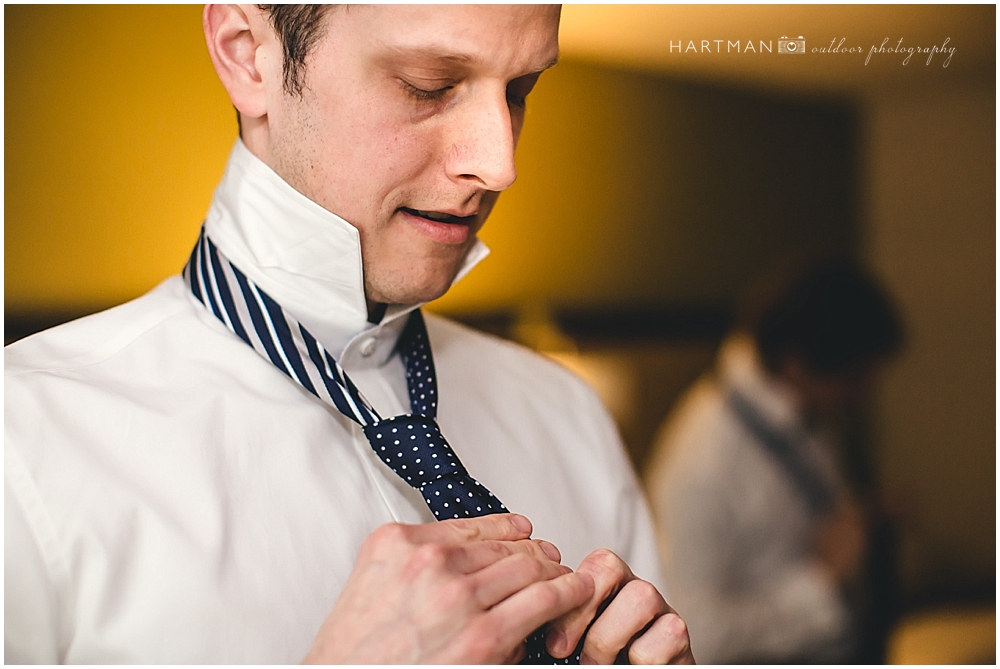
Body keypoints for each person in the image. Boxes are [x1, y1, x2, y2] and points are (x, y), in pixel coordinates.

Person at [5, 5, 694, 664]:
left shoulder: (566, 416)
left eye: (520, 89)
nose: (500, 163)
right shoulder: (26, 448)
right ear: (248, 56)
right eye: (430, 86)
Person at [642, 259, 903, 663]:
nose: (861, 395)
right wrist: (818, 588)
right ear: (797, 365)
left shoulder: (799, 412)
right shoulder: (700, 466)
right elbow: (696, 632)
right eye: (854, 380)